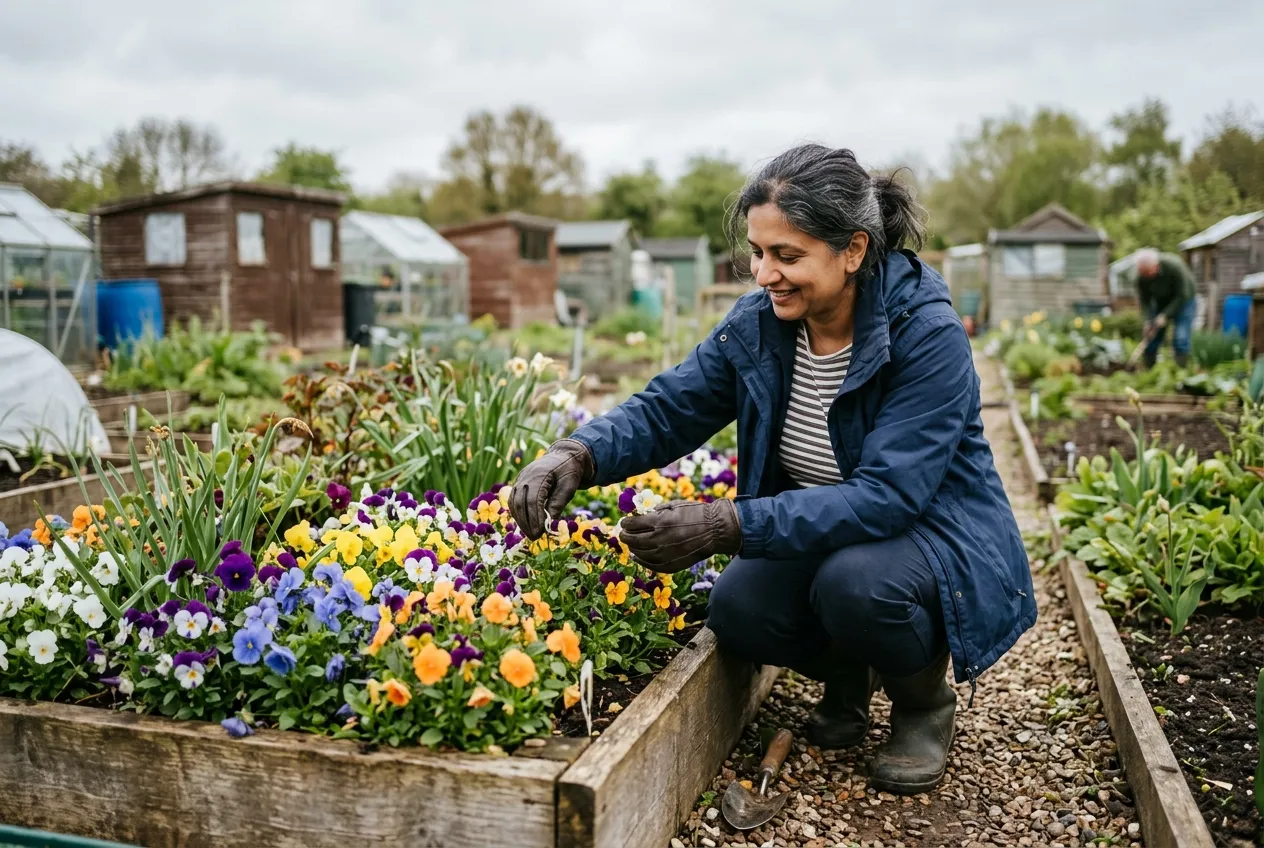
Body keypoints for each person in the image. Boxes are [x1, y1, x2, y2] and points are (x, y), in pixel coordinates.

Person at [509, 145, 1035, 796]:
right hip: (826, 526)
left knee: (859, 586)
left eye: (787, 256)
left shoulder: (924, 334)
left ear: (853, 250)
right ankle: (849, 676)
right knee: (740, 609)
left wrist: (725, 523)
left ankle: (923, 702)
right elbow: (672, 405)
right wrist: (577, 454)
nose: (764, 274)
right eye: (758, 253)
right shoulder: (762, 325)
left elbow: (888, 499)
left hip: (930, 535)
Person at [1132, 247, 1196, 368]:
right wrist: (1146, 321)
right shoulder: (1141, 277)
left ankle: (1180, 373)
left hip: (1184, 301)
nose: (1146, 276)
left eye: (1148, 272)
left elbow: (1182, 295)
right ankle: (1149, 371)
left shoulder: (1174, 266)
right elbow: (1144, 301)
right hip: (1161, 301)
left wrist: (1165, 315)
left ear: (1156, 266)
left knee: (1180, 337)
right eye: (1143, 273)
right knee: (1151, 335)